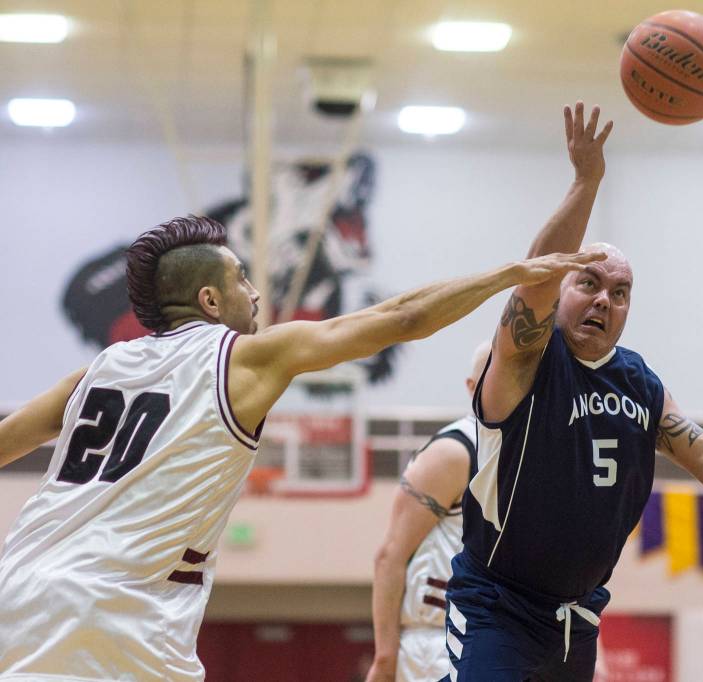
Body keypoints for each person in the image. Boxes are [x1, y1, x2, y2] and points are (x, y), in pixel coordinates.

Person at [0, 215, 603, 681]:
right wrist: (510, 275)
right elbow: (403, 317)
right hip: (115, 611)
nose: (256, 293)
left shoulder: (98, 370)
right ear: (210, 302)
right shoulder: (243, 356)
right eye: (241, 278)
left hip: (20, 591)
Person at [442, 102, 703, 681]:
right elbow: (533, 278)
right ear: (564, 288)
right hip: (497, 608)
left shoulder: (641, 382)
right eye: (590, 282)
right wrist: (587, 182)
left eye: (621, 292)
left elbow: (701, 449)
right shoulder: (528, 356)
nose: (605, 299)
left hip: (577, 619)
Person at [367, 342, 489, 682]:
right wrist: (385, 657)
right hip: (437, 643)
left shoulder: (525, 453)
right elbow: (390, 556)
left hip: (496, 639)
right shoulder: (454, 451)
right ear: (472, 387)